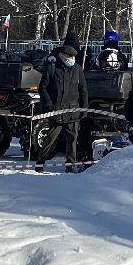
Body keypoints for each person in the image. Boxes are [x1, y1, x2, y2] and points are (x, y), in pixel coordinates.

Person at [40, 44, 89, 172]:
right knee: (51, 138)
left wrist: (84, 108)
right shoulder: (52, 68)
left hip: (73, 111)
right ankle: (40, 161)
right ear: (62, 56)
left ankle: (70, 165)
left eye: (73, 57)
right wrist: (49, 104)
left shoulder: (77, 69)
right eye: (70, 57)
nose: (72, 59)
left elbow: (83, 90)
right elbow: (43, 88)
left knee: (72, 139)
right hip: (56, 110)